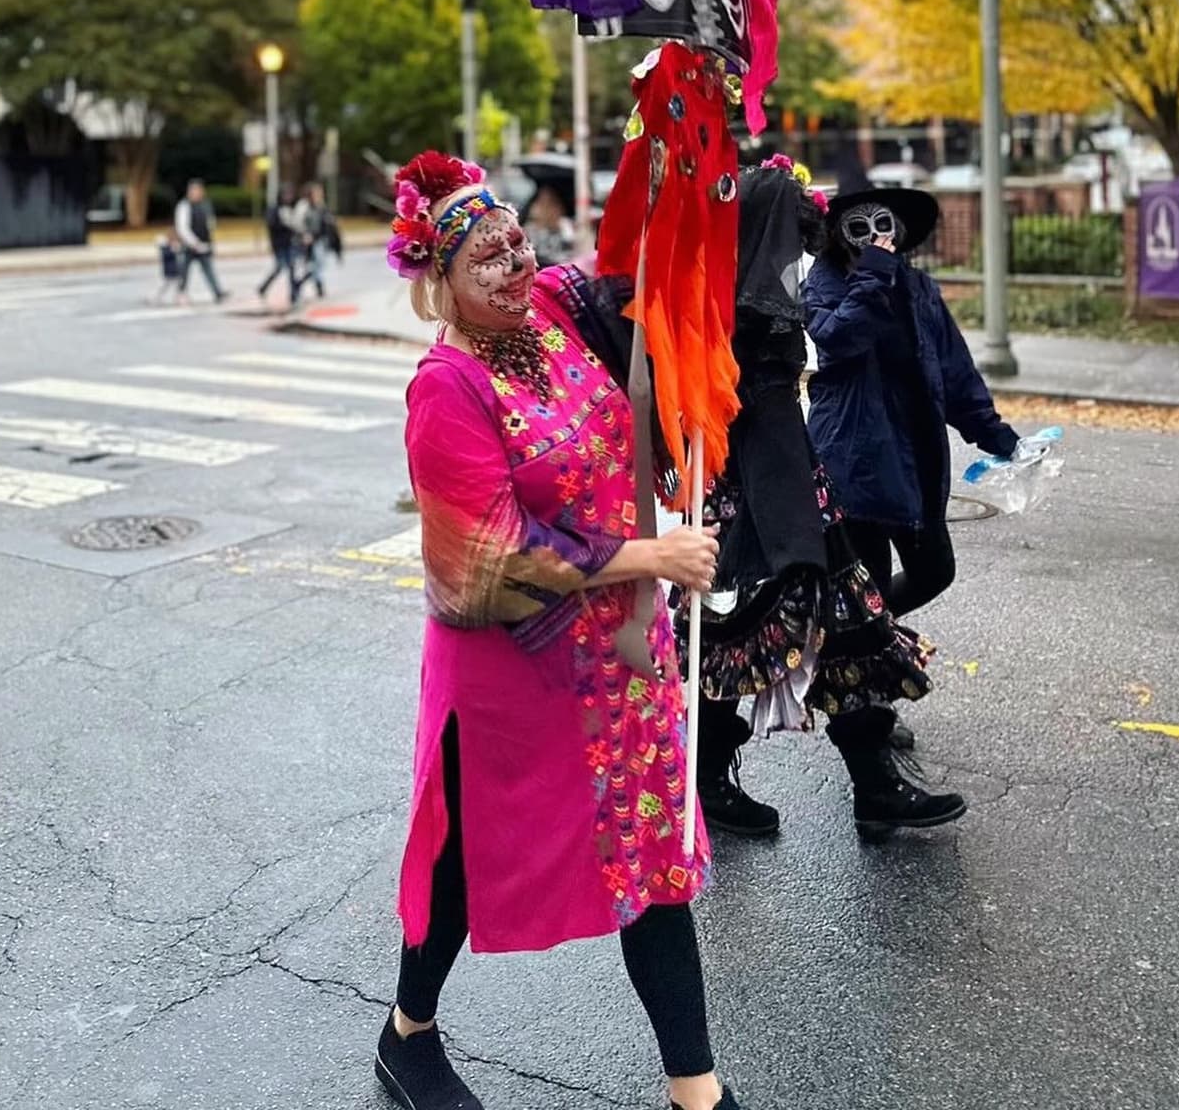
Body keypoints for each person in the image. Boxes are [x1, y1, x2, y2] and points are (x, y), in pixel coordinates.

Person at [378, 149, 746, 1110]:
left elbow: (651, 262)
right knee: (466, 867)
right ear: (440, 282)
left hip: (624, 661)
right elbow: (483, 560)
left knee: (655, 858)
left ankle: (696, 1090)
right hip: (513, 686)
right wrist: (648, 560)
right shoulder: (444, 387)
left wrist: (699, 149)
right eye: (484, 260)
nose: (512, 267)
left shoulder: (559, 311)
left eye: (515, 243)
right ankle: (407, 1032)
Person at [681, 160, 965, 841]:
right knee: (746, 634)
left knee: (844, 627)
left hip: (793, 485)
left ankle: (871, 787)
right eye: (797, 222)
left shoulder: (764, 290)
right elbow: (747, 404)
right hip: (760, 491)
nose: (811, 234)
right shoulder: (744, 305)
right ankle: (710, 779)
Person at [805, 185, 1020, 642]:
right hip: (855, 459)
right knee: (871, 583)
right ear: (840, 236)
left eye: (882, 226)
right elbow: (839, 339)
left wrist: (997, 436)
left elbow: (954, 369)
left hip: (915, 457)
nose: (873, 237)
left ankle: (854, 635)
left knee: (934, 570)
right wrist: (872, 276)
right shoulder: (823, 286)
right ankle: (865, 700)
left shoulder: (918, 288)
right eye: (858, 228)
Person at [174, 179, 227, 304]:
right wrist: (193, 242)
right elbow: (182, 227)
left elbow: (210, 222)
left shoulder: (205, 204)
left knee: (208, 269)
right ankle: (181, 293)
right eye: (194, 190)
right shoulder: (184, 206)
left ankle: (217, 292)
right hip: (189, 245)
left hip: (204, 244)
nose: (197, 193)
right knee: (184, 271)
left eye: (199, 190)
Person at [256, 182, 300, 306]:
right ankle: (263, 287)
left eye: (290, 194)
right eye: (286, 194)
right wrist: (284, 224)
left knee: (292, 268)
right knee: (280, 267)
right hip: (279, 244)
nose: (288, 197)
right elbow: (271, 225)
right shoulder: (274, 209)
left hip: (290, 243)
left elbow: (296, 225)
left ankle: (294, 294)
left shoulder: (291, 209)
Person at [292, 181, 336, 298]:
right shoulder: (303, 206)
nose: (319, 195)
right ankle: (306, 284)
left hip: (320, 240)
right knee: (316, 266)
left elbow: (325, 221)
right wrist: (305, 235)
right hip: (310, 241)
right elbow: (298, 223)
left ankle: (314, 286)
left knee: (318, 265)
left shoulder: (320, 205)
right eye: (317, 193)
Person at [524, 180, 575, 266]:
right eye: (542, 203)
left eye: (550, 203)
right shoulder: (528, 232)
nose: (546, 209)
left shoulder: (567, 228)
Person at [152, 232, 181, 304]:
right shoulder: (165, 249)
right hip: (169, 271)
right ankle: (154, 297)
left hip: (174, 271)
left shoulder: (169, 248)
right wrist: (173, 249)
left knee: (177, 286)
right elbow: (168, 255)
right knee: (163, 286)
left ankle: (177, 298)